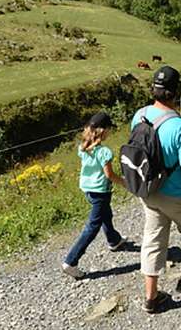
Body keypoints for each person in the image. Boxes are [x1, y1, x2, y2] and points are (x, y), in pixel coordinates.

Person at [132, 65, 181, 313]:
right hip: (177, 195)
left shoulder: (139, 115)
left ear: (153, 90)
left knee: (154, 239)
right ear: (176, 91)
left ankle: (151, 297)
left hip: (149, 191)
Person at [61, 111, 127, 279]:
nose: (110, 133)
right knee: (93, 226)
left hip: (88, 190)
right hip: (100, 191)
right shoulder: (104, 152)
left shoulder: (82, 147)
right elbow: (109, 175)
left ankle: (114, 240)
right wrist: (125, 182)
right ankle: (71, 261)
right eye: (109, 130)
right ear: (103, 131)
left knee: (106, 214)